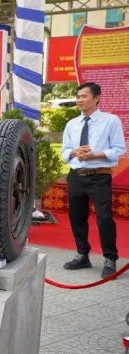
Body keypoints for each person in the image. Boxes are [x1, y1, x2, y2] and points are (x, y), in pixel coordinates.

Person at [61, 82, 126, 278]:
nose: (80, 100)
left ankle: (110, 258)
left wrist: (96, 155)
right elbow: (64, 152)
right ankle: (82, 255)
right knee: (76, 217)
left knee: (105, 218)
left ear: (97, 98)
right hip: (76, 176)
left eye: (84, 96)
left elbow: (119, 149)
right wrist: (75, 151)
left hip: (100, 176)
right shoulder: (71, 124)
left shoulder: (111, 121)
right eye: (78, 96)